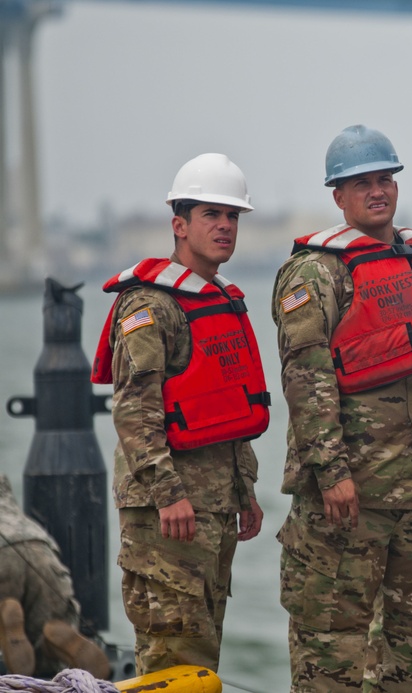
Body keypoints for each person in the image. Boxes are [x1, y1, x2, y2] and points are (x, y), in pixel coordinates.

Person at [271, 124, 412, 692]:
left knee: (410, 660)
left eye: (385, 179)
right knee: (331, 656)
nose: (377, 191)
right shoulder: (316, 272)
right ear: (337, 196)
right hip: (348, 501)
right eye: (361, 182)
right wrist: (333, 472)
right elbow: (305, 376)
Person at [91, 153, 269, 674]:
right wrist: (169, 495)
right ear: (179, 224)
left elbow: (224, 410)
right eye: (211, 215)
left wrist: (244, 492)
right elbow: (133, 410)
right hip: (166, 517)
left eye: (233, 217)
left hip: (212, 511)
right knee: (172, 659)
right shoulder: (150, 306)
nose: (224, 227)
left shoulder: (216, 301)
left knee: (201, 662)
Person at [0, 473, 111, 678]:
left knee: (7, 625)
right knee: (49, 623)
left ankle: (13, 658)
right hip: (36, 544)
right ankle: (52, 645)